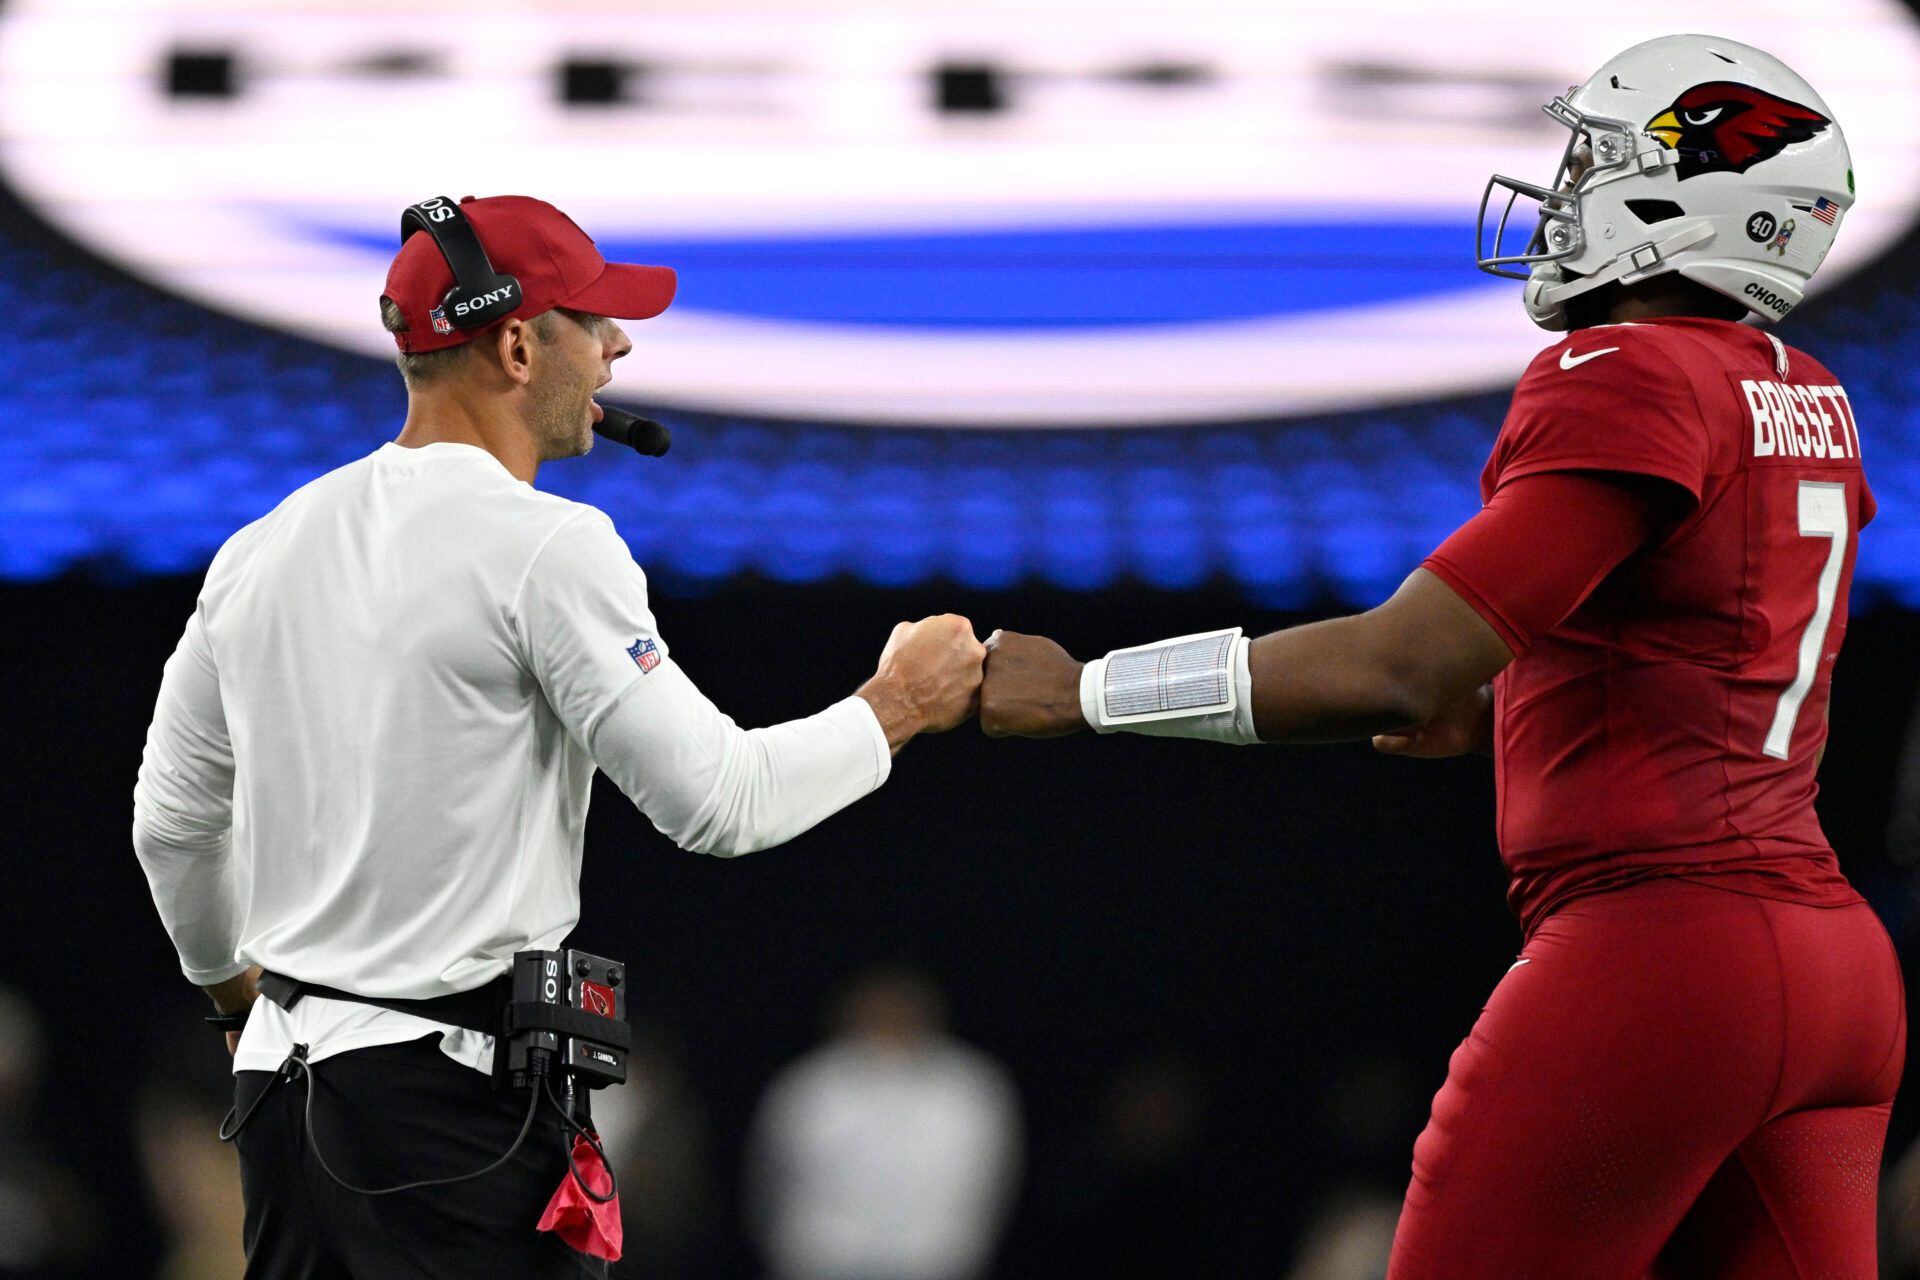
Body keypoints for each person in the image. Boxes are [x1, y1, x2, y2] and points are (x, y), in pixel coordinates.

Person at [978, 35, 1901, 1278]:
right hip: (1834, 969)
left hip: (1665, 956)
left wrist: (1084, 690)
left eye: (1595, 158)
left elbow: (1396, 664)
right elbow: (1699, 642)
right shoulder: (1806, 393)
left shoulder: (1624, 367)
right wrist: (1520, 694)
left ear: (1691, 196)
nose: (1565, 189)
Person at [131, 193, 984, 1279]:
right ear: (520, 342)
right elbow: (720, 801)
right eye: (595, 320)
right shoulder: (547, 546)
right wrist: (899, 700)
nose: (620, 346)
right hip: (448, 1118)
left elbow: (173, 824)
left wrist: (231, 997)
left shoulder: (259, 551)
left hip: (283, 1102)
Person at [745, 966, 1021, 1280]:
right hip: (825, 1256)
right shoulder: (811, 1085)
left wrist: (967, 1242)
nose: (891, 1021)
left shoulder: (968, 1086)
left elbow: (995, 1174)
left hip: (931, 1258)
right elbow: (770, 1175)